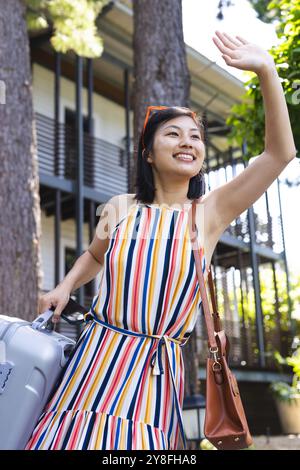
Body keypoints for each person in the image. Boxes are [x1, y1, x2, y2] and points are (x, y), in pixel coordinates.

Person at [25, 31, 296, 450]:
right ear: (148, 152)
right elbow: (94, 256)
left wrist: (266, 71)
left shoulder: (209, 212)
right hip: (93, 361)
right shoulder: (119, 207)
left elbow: (279, 154)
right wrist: (64, 287)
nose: (188, 142)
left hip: (154, 374)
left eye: (195, 136)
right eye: (173, 134)